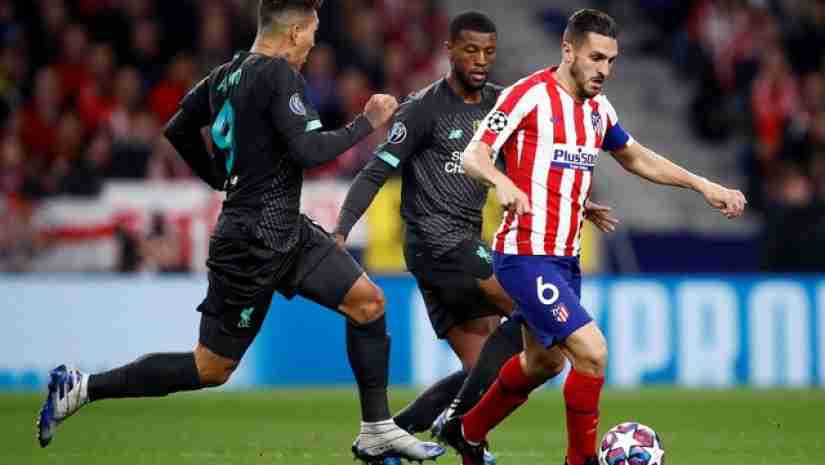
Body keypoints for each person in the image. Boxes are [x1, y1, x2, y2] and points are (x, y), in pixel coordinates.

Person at [36, 2, 445, 463]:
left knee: (368, 303)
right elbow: (310, 150)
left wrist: (217, 177)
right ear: (293, 32)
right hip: (251, 243)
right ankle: (83, 387)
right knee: (210, 367)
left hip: (284, 230)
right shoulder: (278, 74)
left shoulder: (224, 76)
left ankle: (376, 431)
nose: (313, 44)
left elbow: (179, 128)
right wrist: (366, 123)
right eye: (312, 33)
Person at [438, 8, 746, 465]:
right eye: (596, 57)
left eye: (611, 60)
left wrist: (704, 186)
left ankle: (467, 431)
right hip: (525, 254)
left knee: (544, 363)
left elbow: (637, 157)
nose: (604, 69)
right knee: (592, 353)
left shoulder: (599, 110)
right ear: (568, 51)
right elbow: (473, 156)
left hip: (565, 259)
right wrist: (501, 182)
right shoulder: (528, 95)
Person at [334, 11, 617, 464]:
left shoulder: (502, 103)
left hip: (465, 243)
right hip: (434, 240)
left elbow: (533, 168)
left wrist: (578, 204)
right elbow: (375, 169)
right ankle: (461, 428)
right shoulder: (424, 108)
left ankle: (395, 433)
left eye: (489, 51)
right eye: (470, 50)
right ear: (448, 51)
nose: (481, 60)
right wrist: (342, 228)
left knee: (484, 364)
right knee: (532, 309)